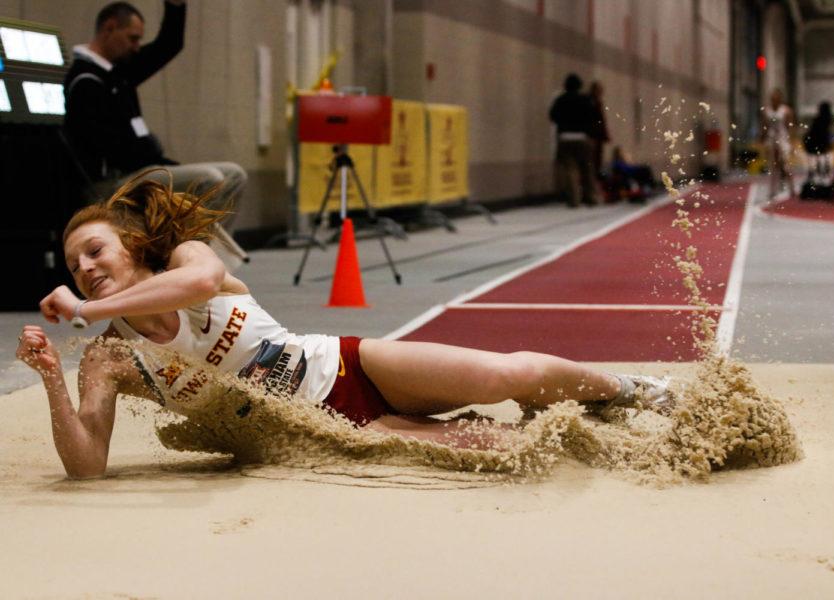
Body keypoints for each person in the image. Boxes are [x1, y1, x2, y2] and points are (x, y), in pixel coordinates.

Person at [17, 173, 673, 478]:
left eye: (96, 251)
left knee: (511, 373)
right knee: (493, 449)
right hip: (332, 430)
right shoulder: (109, 358)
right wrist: (52, 379)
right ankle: (614, 450)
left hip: (351, 364)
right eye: (75, 266)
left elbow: (196, 283)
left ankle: (626, 390)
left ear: (132, 246)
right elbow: (87, 467)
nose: (86, 268)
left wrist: (88, 308)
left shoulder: (187, 262)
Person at [63, 1, 246, 226]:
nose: (137, 46)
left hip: (141, 168)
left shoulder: (119, 72)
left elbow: (168, 45)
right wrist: (154, 155)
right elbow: (111, 149)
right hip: (112, 181)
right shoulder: (85, 81)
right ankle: (188, 254)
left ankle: (209, 254)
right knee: (210, 179)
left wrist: (175, 7)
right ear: (109, 28)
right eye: (133, 38)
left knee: (234, 176)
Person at [549, 73, 598, 207]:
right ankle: (591, 197)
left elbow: (553, 116)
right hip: (582, 137)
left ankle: (574, 199)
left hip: (565, 137)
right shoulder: (585, 100)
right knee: (587, 168)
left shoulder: (561, 100)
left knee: (570, 170)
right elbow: (593, 117)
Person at [761, 89, 797, 200]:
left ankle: (792, 188)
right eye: (772, 98)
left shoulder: (786, 110)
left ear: (780, 99)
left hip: (782, 138)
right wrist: (762, 137)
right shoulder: (766, 110)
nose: (774, 100)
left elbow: (790, 127)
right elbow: (764, 126)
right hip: (771, 138)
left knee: (785, 164)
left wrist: (790, 141)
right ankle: (772, 190)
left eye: (776, 98)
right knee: (773, 165)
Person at [587, 81, 611, 179]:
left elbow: (601, 121)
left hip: (597, 136)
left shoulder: (597, 103)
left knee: (597, 161)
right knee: (593, 161)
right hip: (593, 136)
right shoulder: (591, 103)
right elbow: (597, 120)